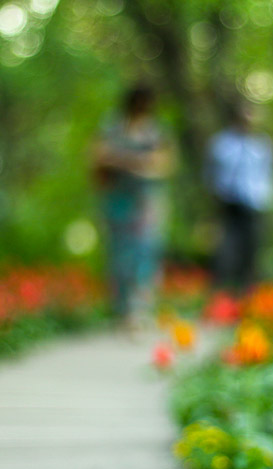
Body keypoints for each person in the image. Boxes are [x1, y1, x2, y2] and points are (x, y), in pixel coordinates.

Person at [92, 84, 173, 324]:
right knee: (119, 255)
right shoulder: (112, 127)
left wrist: (123, 160)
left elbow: (163, 164)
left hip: (147, 203)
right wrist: (138, 162)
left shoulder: (156, 130)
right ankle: (122, 310)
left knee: (146, 253)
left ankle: (139, 310)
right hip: (117, 201)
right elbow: (98, 158)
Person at [205, 101, 273, 290]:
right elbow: (211, 173)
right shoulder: (221, 144)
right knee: (227, 245)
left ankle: (247, 289)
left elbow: (267, 173)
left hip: (255, 202)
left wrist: (266, 198)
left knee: (251, 245)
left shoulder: (262, 145)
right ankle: (221, 288)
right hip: (229, 201)